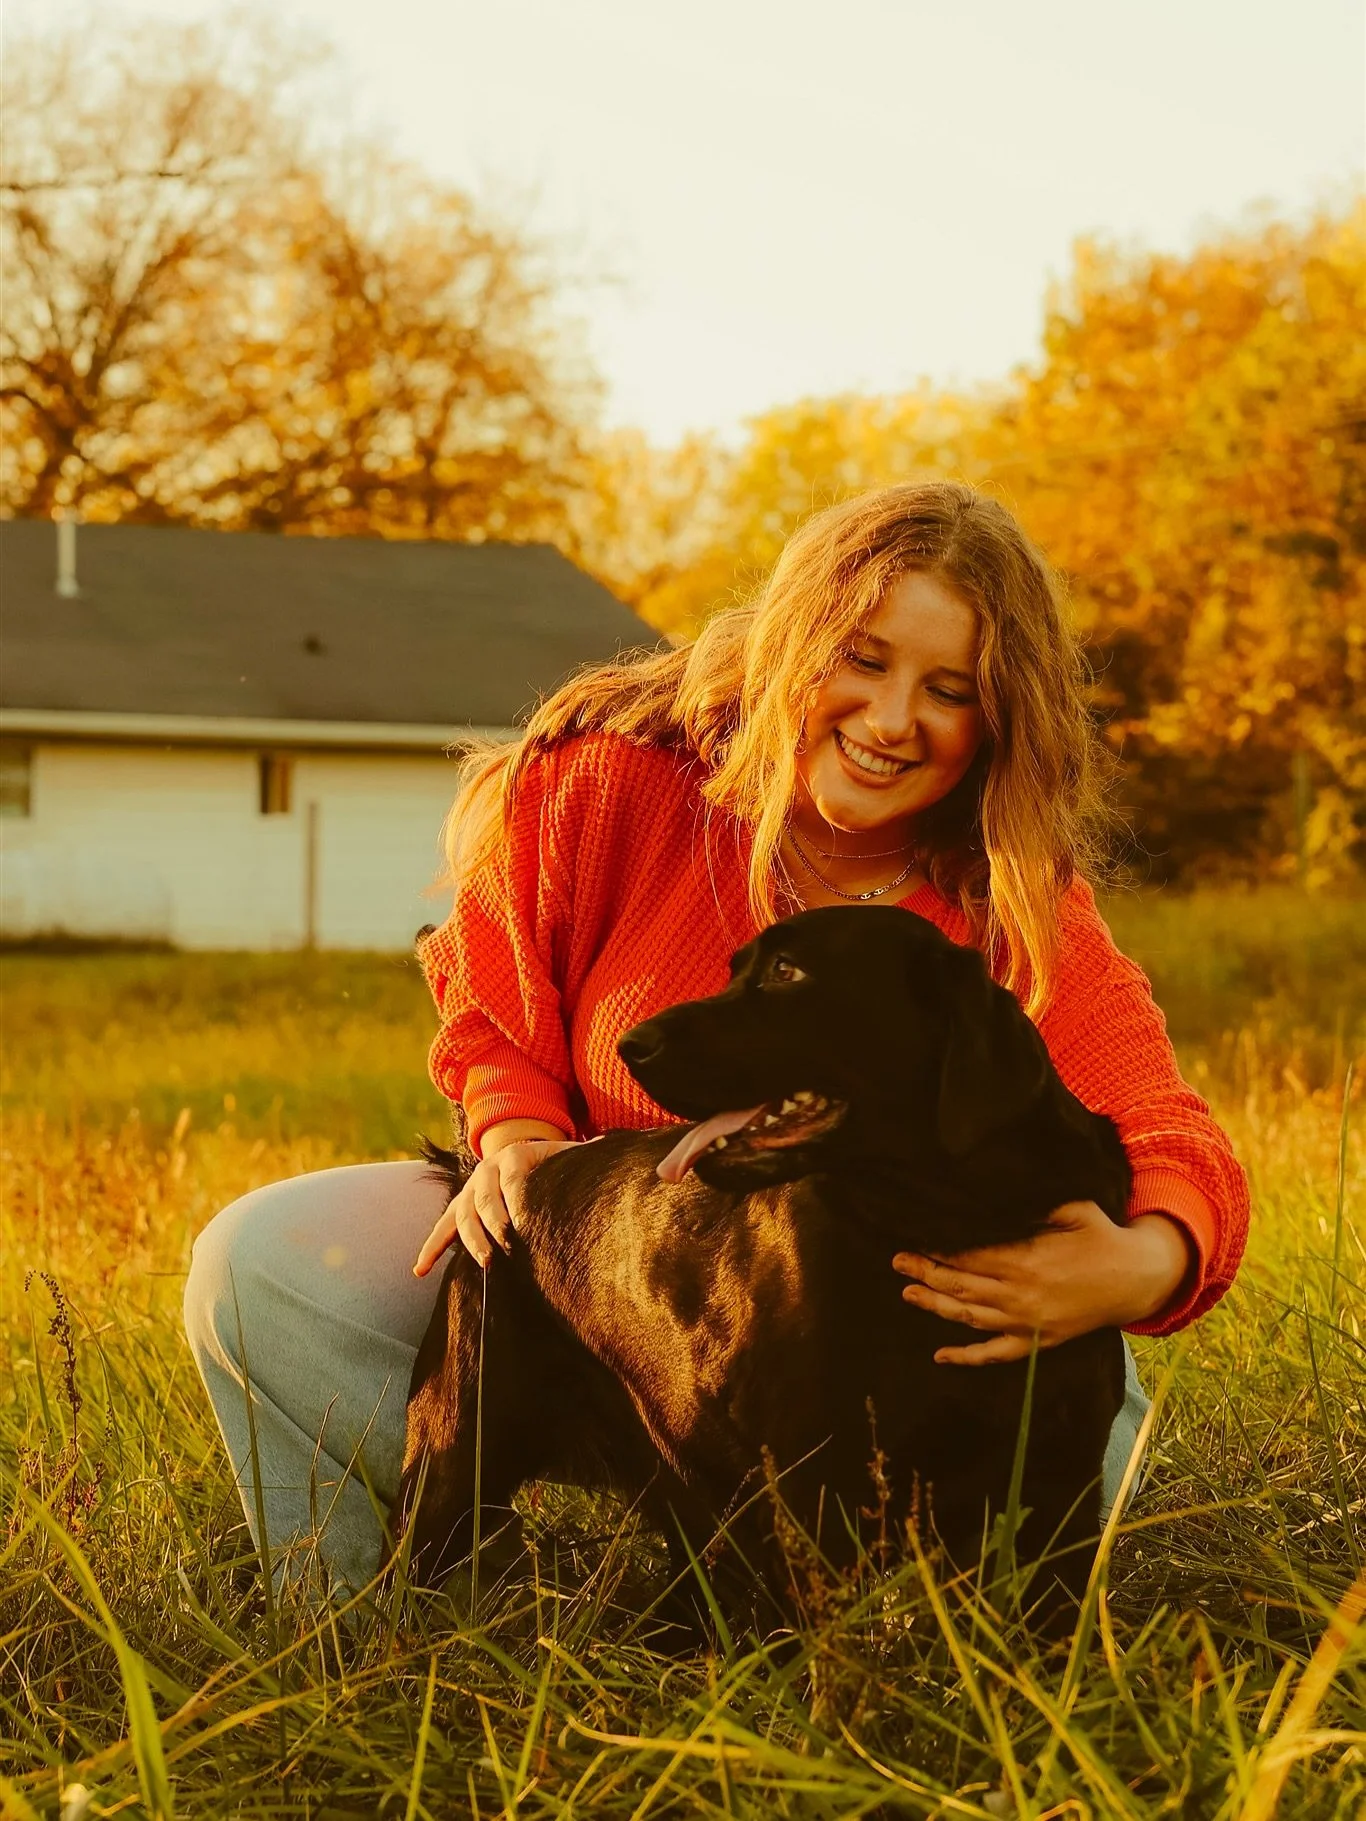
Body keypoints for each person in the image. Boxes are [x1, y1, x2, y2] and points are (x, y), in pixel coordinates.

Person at [183, 482, 1250, 1601]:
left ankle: (902, 1652)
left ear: (998, 720)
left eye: (948, 691)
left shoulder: (1009, 901)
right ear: (793, 644)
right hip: (594, 1294)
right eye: (862, 659)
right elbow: (494, 1001)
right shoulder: (616, 782)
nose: (891, 721)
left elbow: (1167, 1126)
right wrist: (516, 1136)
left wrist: (1143, 1262)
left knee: (1091, 1388)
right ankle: (385, 1625)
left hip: (858, 1348)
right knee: (261, 1260)